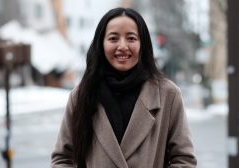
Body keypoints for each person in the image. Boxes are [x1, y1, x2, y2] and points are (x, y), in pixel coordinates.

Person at [51, 7, 197, 168]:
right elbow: (62, 159)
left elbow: (184, 160)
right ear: (101, 44)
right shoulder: (81, 95)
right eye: (113, 38)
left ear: (143, 44)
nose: (122, 46)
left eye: (131, 38)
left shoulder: (168, 94)